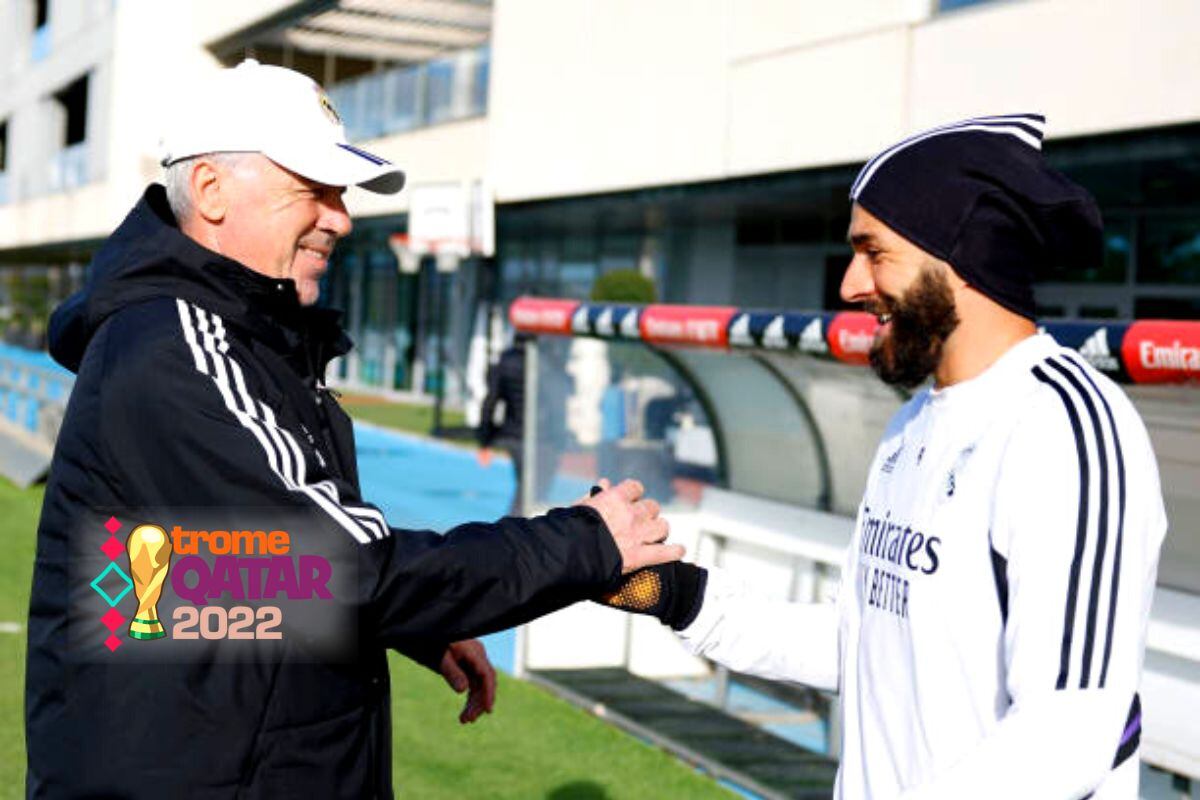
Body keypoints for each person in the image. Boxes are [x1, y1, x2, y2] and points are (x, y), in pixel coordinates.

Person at [25, 60, 681, 799]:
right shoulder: (180, 346)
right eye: (315, 188)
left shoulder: (242, 337)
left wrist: (412, 627)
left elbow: (213, 567)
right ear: (210, 192)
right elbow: (345, 570)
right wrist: (588, 541)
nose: (341, 216)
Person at [599, 114, 1167, 798]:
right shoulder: (911, 426)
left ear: (958, 253)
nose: (849, 285)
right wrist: (672, 593)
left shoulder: (1064, 427)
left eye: (874, 252)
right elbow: (862, 642)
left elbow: (1069, 732)